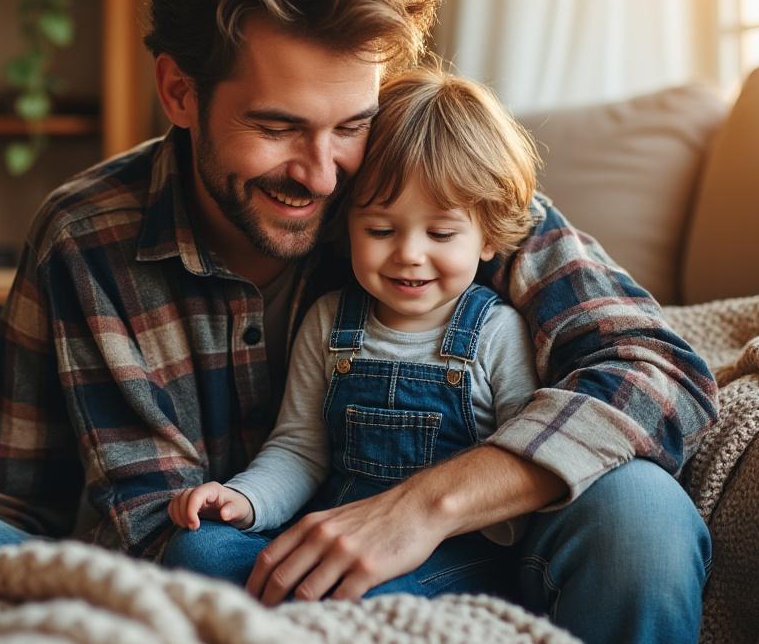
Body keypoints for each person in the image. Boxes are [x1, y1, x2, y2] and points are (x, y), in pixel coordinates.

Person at [0, 0, 717, 644]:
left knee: (640, 514)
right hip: (221, 563)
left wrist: (419, 510)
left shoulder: (422, 188)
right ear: (180, 91)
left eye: (349, 124)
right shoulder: (86, 241)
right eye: (277, 128)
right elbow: (51, 518)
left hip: (459, 549)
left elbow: (658, 367)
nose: (323, 173)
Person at [162, 68, 549, 595]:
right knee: (196, 550)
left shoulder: (497, 332)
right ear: (346, 226)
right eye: (381, 230)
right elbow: (299, 449)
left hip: (448, 557)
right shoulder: (329, 322)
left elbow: (518, 478)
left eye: (440, 232)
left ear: (487, 237)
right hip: (328, 536)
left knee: (361, 599)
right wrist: (243, 500)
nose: (410, 253)